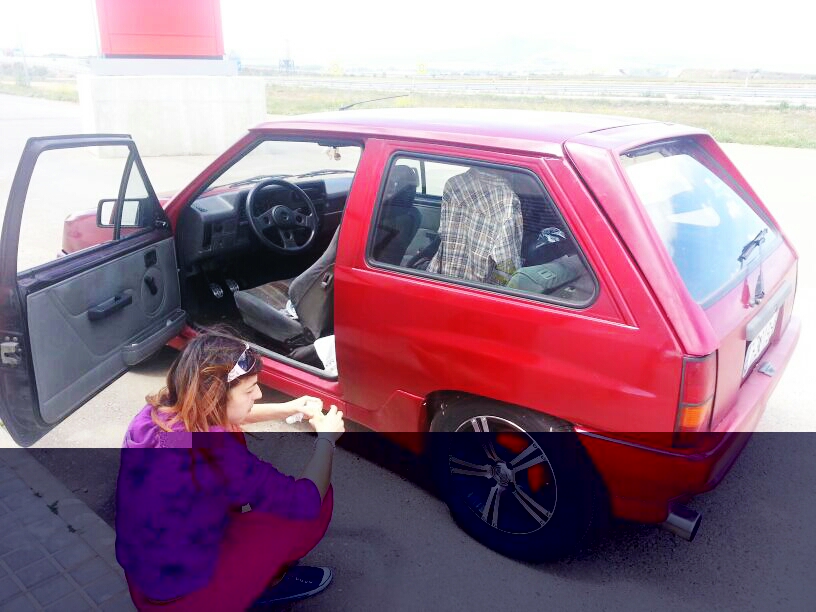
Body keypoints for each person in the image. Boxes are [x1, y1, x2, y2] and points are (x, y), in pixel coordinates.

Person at [115, 331, 345, 611]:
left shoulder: (156, 417)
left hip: (147, 579)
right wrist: (326, 440)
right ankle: (264, 583)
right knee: (315, 501)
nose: (259, 394)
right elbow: (304, 500)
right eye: (249, 391)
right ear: (215, 396)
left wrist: (287, 408)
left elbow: (216, 418)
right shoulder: (216, 454)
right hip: (187, 597)